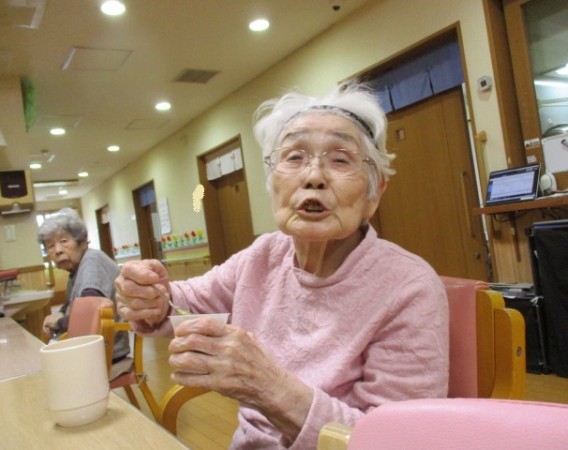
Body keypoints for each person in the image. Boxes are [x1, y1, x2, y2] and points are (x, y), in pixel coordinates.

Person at [115, 81, 449, 449]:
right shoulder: (264, 255)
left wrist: (267, 386)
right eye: (294, 157)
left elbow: (396, 441)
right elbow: (186, 300)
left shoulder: (408, 286)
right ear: (271, 182)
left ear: (375, 192)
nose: (314, 176)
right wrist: (152, 296)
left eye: (340, 159)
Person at [39, 208, 130, 368]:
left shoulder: (91, 263)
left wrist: (58, 323)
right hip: (90, 350)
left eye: (64, 241)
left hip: (104, 354)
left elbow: (89, 317)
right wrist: (61, 313)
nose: (58, 250)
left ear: (82, 241)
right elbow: (72, 303)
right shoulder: (76, 269)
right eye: (50, 246)